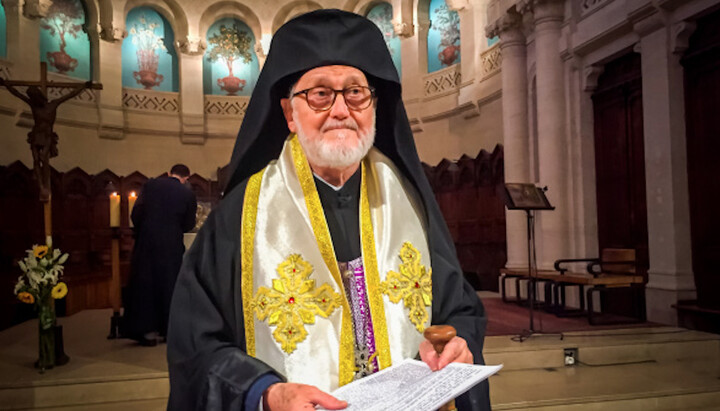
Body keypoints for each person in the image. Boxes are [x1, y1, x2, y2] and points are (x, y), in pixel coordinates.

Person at [167, 9, 490, 411]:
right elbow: (196, 346)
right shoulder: (240, 216)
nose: (341, 110)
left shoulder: (410, 201)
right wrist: (267, 392)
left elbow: (459, 307)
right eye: (320, 93)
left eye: (356, 92)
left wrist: (458, 341)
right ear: (289, 113)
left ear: (374, 105)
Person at [124, 164, 197, 346]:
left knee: (144, 284)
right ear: (186, 178)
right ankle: (167, 330)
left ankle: (145, 330)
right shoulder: (187, 194)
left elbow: (136, 213)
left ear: (168, 173)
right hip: (171, 244)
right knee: (169, 284)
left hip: (147, 241)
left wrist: (145, 230)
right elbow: (188, 224)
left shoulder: (151, 185)